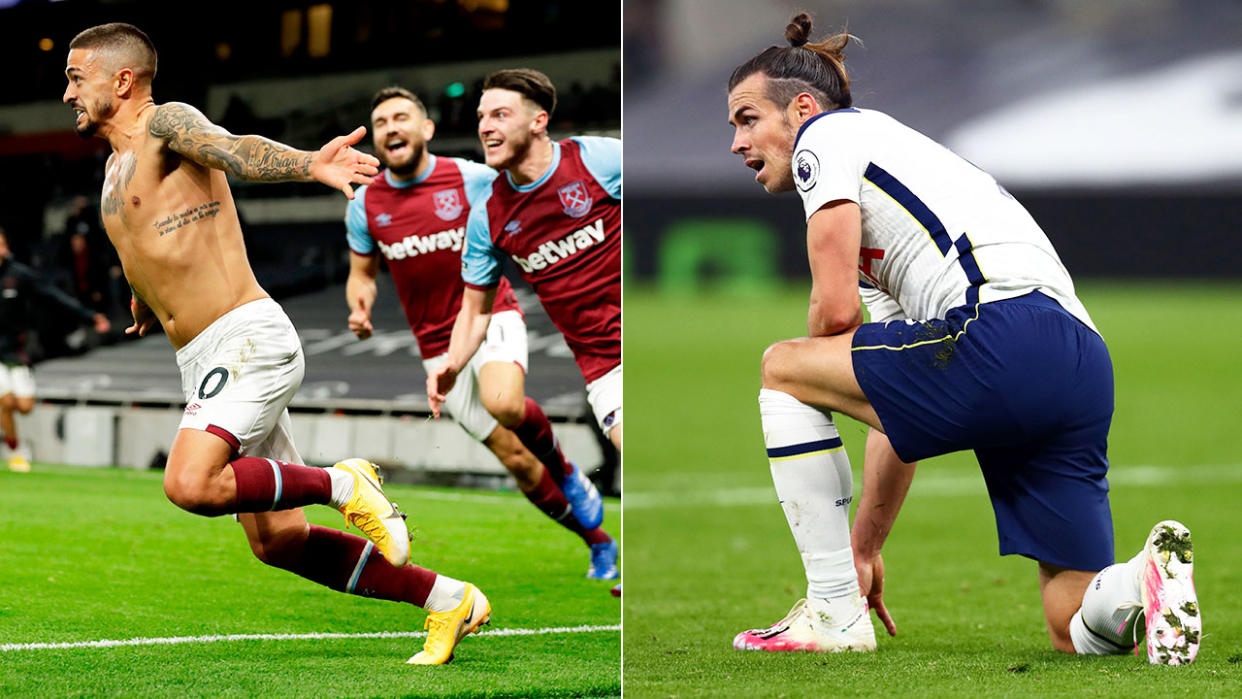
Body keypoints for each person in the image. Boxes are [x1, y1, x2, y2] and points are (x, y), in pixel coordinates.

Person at [725, 14, 1199, 665]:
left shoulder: (823, 138)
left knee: (784, 367)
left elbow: (832, 314)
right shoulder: (900, 164)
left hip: (997, 332)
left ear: (802, 107)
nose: (737, 142)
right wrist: (865, 544)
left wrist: (814, 369)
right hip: (1080, 359)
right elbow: (896, 410)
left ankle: (831, 608)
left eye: (747, 119)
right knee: (1071, 616)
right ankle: (1142, 577)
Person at [64, 23, 488, 665]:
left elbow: (231, 148)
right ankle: (448, 599)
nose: (66, 91)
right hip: (203, 358)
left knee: (190, 485)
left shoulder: (164, 124)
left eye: (75, 76)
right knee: (279, 542)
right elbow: (149, 246)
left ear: (122, 80)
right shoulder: (112, 172)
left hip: (245, 340)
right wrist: (143, 295)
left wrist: (308, 163)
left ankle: (342, 485)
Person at [344, 86, 617, 579]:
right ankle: (598, 541)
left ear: (426, 129)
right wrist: (360, 307)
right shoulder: (366, 205)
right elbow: (362, 274)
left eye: (401, 117)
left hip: (490, 315)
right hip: (435, 345)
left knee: (504, 402)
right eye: (381, 122)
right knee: (515, 459)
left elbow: (526, 199)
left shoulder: (471, 179)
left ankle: (568, 472)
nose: (390, 128)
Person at [427, 69, 621, 462]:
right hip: (605, 368)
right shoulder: (488, 215)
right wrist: (453, 363)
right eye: (481, 117)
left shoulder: (599, 160)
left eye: (499, 115)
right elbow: (475, 310)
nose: (485, 127)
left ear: (538, 122)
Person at [0, 227, 111, 472]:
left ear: (5, 247)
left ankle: (7, 428)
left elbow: (53, 296)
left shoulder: (19, 275)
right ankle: (15, 451)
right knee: (5, 402)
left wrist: (90, 316)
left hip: (16, 352)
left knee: (25, 407)